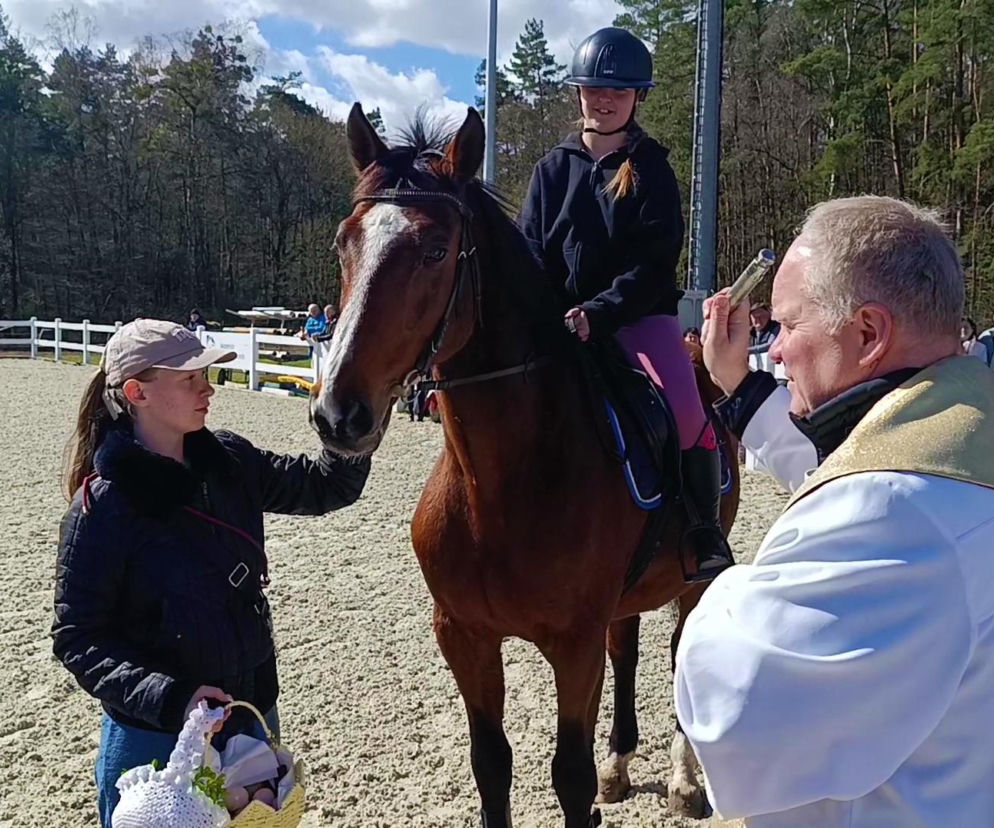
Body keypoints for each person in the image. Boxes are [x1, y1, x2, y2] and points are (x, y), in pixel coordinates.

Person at [675, 196, 994, 826]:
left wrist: (728, 585)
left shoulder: (888, 509)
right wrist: (739, 386)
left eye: (788, 327)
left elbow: (736, 716)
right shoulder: (960, 434)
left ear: (869, 334)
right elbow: (846, 461)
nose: (777, 350)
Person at [51, 319, 371, 826]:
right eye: (190, 379)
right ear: (137, 393)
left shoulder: (231, 461)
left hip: (251, 716)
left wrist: (357, 424)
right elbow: (77, 636)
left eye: (207, 375)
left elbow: (323, 487)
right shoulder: (102, 508)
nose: (209, 390)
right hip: (154, 739)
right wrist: (172, 699)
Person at [518, 26, 733, 580]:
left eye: (617, 92)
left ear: (638, 97)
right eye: (593, 90)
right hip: (560, 324)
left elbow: (653, 263)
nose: (604, 100)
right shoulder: (550, 171)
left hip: (638, 320)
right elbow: (531, 255)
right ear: (579, 93)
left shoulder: (652, 169)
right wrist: (547, 313)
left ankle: (703, 533)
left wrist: (600, 312)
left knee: (687, 413)